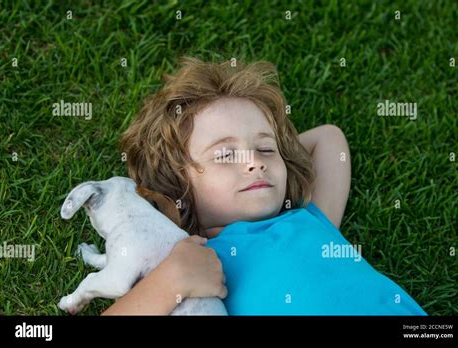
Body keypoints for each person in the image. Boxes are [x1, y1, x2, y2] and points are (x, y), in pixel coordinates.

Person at [102, 57, 426, 315]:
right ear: (176, 182)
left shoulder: (310, 221)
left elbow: (329, 138)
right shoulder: (194, 260)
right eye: (226, 154)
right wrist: (168, 281)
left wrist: (282, 162)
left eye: (266, 149)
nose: (254, 162)